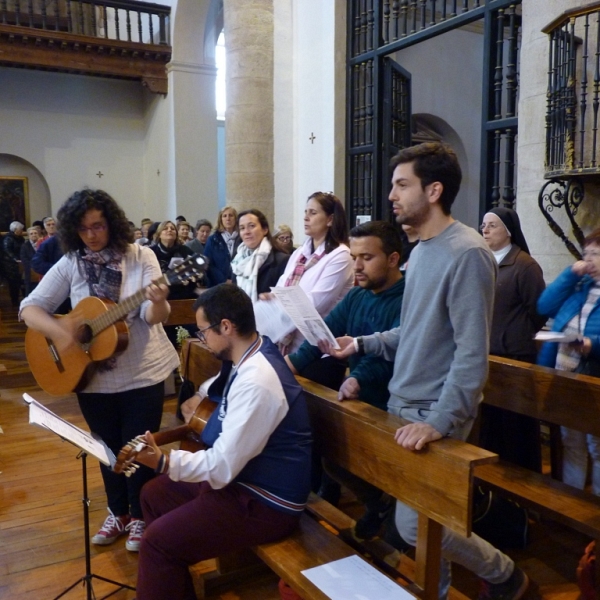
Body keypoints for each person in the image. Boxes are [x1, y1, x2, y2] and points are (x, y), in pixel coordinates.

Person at [326, 142, 528, 600]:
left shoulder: (467, 253)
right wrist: (361, 344)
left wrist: (439, 421)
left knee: (416, 526)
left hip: (433, 411)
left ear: (433, 190)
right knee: (421, 524)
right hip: (404, 401)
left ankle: (505, 574)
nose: (391, 195)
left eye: (402, 185)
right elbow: (413, 332)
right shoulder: (421, 252)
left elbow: (472, 353)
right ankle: (470, 583)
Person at [20, 189, 180, 553]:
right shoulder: (72, 262)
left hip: (142, 372)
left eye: (98, 226)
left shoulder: (142, 257)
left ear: (112, 223)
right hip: (90, 376)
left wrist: (158, 302)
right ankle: (117, 511)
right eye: (84, 229)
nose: (91, 235)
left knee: (138, 447)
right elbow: (30, 308)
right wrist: (63, 333)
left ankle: (140, 515)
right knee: (107, 447)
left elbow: (154, 317)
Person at [132, 284, 312, 600]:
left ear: (226, 326)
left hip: (265, 501)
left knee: (157, 543)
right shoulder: (250, 354)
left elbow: (223, 466)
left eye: (203, 332)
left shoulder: (258, 380)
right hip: (244, 481)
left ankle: (169, 567)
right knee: (154, 494)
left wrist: (164, 461)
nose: (203, 340)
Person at [286, 220, 405, 540]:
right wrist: (290, 365)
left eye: (367, 257)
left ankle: (394, 521)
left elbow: (397, 355)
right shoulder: (357, 296)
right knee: (332, 456)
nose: (357, 266)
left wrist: (359, 378)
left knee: (365, 464)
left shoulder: (407, 298)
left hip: (393, 404)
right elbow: (323, 335)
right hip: (362, 401)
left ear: (393, 259)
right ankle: (378, 504)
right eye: (354, 257)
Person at [479, 207, 547, 471]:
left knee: (516, 425)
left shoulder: (524, 265)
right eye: (483, 225)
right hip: (488, 353)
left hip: (515, 355)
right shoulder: (483, 260)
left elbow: (539, 311)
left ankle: (521, 478)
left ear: (508, 232)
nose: (485, 230)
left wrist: (514, 332)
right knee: (491, 422)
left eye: (492, 225)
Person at [537, 227, 600, 496]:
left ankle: (596, 512)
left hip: (594, 375)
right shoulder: (581, 285)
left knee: (596, 443)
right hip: (566, 372)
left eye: (595, 254)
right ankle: (571, 501)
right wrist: (570, 273)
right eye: (586, 253)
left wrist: (592, 344)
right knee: (570, 439)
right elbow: (544, 306)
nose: (588, 260)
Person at [271, 192, 354, 355]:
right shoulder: (300, 253)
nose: (306, 218)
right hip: (286, 341)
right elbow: (281, 287)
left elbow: (313, 304)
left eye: (313, 213)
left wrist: (276, 302)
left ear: (330, 219)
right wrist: (272, 298)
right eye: (305, 212)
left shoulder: (341, 255)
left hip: (317, 348)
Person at [231, 209, 290, 301]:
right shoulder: (238, 261)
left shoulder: (281, 260)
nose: (246, 232)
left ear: (265, 229)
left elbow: (286, 297)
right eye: (242, 228)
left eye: (251, 226)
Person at [150, 220, 198, 300]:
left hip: (183, 293)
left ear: (176, 234)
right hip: (160, 293)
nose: (169, 230)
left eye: (172, 229)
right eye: (165, 228)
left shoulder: (185, 251)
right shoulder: (151, 252)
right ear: (159, 234)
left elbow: (195, 272)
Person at [203, 206, 241, 286]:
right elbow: (208, 264)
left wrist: (235, 280)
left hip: (239, 283)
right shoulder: (213, 239)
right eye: (225, 216)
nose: (228, 218)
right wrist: (224, 280)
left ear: (236, 218)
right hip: (218, 284)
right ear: (221, 219)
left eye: (231, 215)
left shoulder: (242, 238)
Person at [2, 221, 25, 306]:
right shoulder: (8, 238)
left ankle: (23, 299)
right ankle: (14, 301)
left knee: (21, 281)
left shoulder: (21, 238)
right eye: (20, 229)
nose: (22, 231)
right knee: (13, 283)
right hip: (10, 265)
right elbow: (7, 250)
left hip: (20, 263)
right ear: (15, 229)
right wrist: (16, 259)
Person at [20, 226, 39, 296]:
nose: (34, 235)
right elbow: (24, 259)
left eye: (35, 233)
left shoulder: (42, 244)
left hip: (41, 273)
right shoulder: (25, 246)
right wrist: (34, 267)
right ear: (28, 236)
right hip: (30, 273)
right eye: (31, 233)